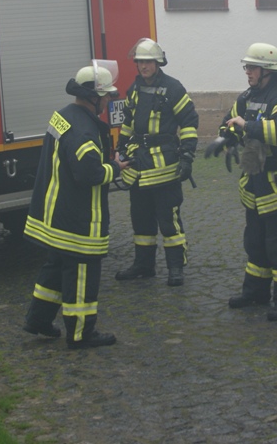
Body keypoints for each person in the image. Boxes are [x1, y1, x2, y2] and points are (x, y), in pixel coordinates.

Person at [22, 61, 130, 348]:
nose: (107, 101)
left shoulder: (63, 115)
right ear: (93, 97)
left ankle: (38, 320)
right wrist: (116, 167)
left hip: (55, 215)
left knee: (55, 268)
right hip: (77, 221)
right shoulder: (84, 130)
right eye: (105, 96)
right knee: (82, 274)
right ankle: (81, 334)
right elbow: (89, 174)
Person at [207, 43, 277, 322]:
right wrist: (224, 138)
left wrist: (247, 126)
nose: (248, 72)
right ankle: (256, 292)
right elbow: (229, 120)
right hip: (256, 182)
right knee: (255, 241)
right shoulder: (248, 96)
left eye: (252, 67)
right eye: (247, 67)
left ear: (267, 70)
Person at [115, 38, 199, 287]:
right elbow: (128, 122)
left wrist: (187, 156)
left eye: (148, 62)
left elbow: (189, 122)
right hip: (138, 167)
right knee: (141, 220)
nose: (144, 66)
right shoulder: (134, 89)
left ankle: (176, 267)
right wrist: (121, 148)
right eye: (140, 62)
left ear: (158, 63)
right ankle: (144, 265)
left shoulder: (173, 88)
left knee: (168, 219)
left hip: (164, 167)